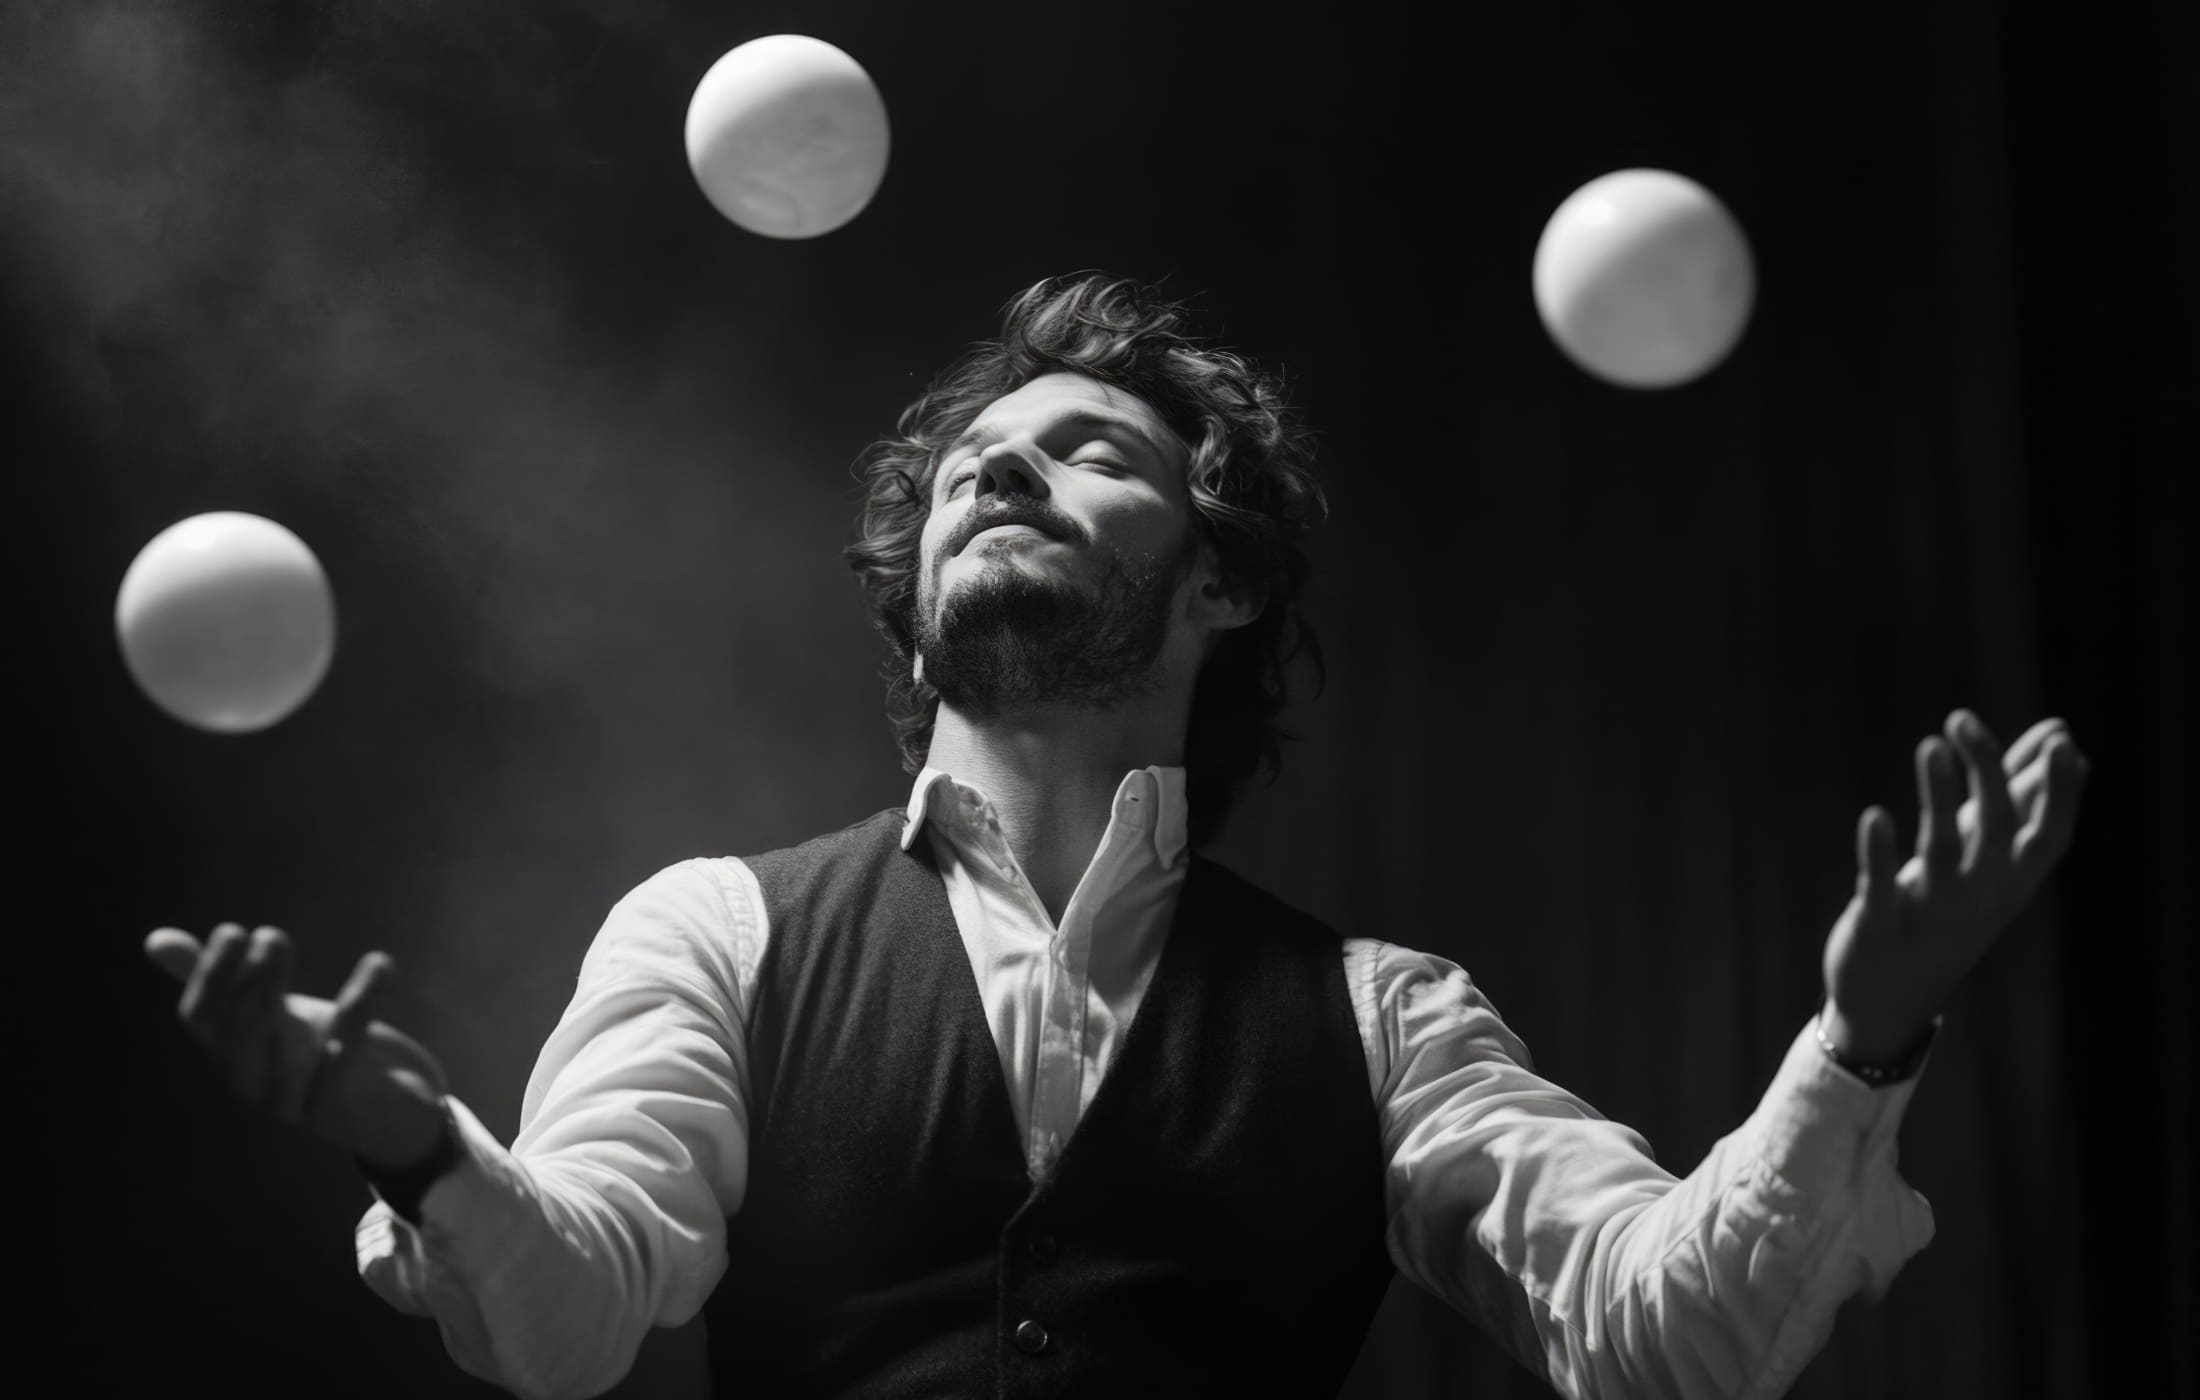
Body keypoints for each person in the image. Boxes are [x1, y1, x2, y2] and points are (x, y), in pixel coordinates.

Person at [146, 273, 2089, 1400]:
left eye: (1088, 449)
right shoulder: (717, 933)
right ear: (907, 605)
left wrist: (1862, 1041)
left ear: (1221, 581)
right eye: (975, 460)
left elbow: (1672, 1336)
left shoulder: (1379, 1017)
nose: (1002, 460)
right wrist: (426, 1146)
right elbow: (562, 1324)